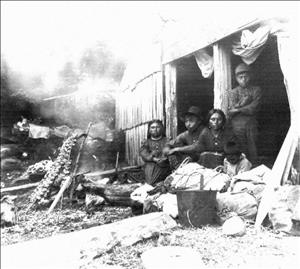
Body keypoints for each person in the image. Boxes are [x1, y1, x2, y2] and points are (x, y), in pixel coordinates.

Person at [227, 63, 262, 164]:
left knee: (253, 147)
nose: (243, 79)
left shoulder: (256, 90)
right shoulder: (233, 92)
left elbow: (255, 107)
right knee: (240, 147)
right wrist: (245, 101)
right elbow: (230, 110)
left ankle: (254, 167)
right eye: (240, 77)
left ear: (250, 76)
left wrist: (238, 110)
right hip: (237, 125)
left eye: (245, 76)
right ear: (236, 78)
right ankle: (242, 170)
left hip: (251, 124)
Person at [139, 119, 171, 186]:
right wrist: (154, 159)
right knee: (150, 180)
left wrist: (164, 157)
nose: (155, 129)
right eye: (152, 127)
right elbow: (144, 154)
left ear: (162, 129)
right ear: (149, 130)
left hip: (165, 165)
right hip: (151, 165)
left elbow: (169, 151)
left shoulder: (167, 140)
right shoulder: (146, 142)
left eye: (158, 127)